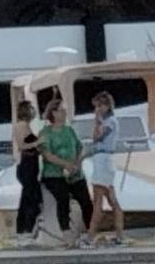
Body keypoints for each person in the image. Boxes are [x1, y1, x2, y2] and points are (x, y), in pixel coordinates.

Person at [38, 98, 95, 245]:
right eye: (61, 110)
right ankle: (66, 232)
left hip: (74, 171)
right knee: (63, 198)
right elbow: (47, 154)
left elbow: (79, 147)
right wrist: (65, 164)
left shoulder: (69, 130)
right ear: (54, 113)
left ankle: (91, 231)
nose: (64, 113)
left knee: (86, 201)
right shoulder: (45, 133)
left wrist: (76, 163)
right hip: (54, 174)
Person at [85, 91, 125, 245]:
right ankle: (120, 234)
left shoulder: (110, 122)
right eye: (96, 106)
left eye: (100, 106)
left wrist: (98, 121)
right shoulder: (106, 121)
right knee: (111, 199)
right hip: (101, 160)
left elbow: (97, 136)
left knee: (98, 201)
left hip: (103, 159)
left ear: (108, 106)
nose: (98, 109)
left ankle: (90, 236)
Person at [11, 100, 44, 237]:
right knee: (33, 198)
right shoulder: (21, 126)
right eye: (30, 109)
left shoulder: (27, 126)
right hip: (27, 165)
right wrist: (38, 142)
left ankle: (23, 229)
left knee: (27, 198)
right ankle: (27, 229)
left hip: (31, 164)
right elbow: (22, 146)